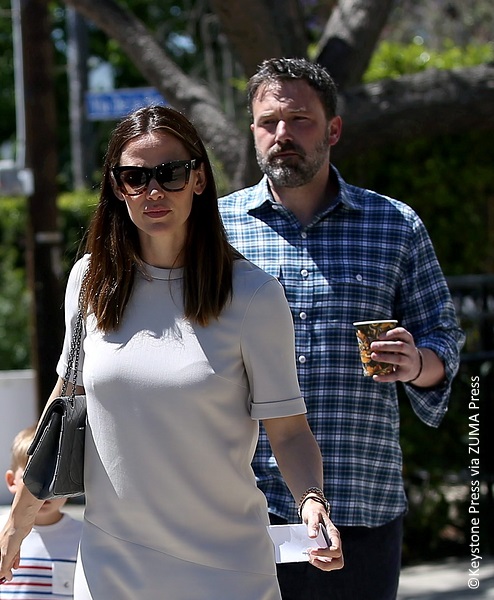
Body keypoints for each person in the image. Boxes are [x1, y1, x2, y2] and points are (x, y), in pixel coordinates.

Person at [0, 105, 343, 600]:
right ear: (117, 188)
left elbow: (288, 431)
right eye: (135, 177)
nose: (153, 191)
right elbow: (63, 410)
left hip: (226, 570)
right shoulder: (89, 282)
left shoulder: (252, 296)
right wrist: (19, 521)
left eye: (170, 173)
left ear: (199, 179)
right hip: (111, 567)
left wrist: (312, 502)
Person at [219, 57, 465, 600]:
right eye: (268, 122)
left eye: (300, 119)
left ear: (333, 129)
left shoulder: (394, 225)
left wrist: (419, 363)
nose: (282, 134)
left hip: (362, 501)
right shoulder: (215, 231)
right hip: (245, 506)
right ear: (253, 131)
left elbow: (445, 332)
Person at [0, 426, 82, 599]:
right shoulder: (2, 533)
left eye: (56, 478)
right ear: (11, 480)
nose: (45, 488)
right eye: (34, 477)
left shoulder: (84, 537)